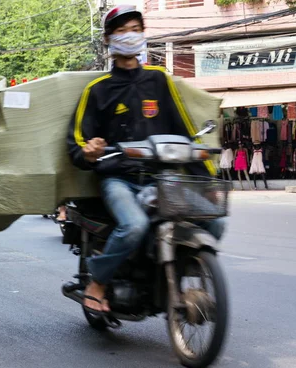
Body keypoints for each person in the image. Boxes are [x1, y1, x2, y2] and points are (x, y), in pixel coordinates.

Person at [67, 5, 224, 313]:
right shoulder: (96, 91)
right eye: (122, 31)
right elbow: (76, 143)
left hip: (164, 178)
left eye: (136, 30)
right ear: (109, 40)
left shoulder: (159, 81)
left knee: (214, 221)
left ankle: (182, 267)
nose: (130, 37)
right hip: (119, 179)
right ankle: (97, 283)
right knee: (135, 226)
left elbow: (187, 134)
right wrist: (87, 150)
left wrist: (208, 182)